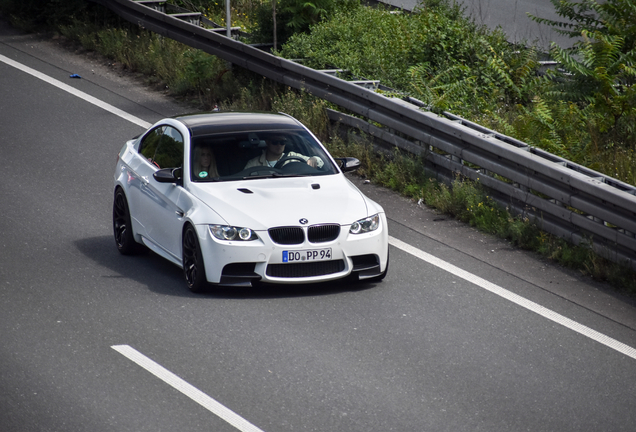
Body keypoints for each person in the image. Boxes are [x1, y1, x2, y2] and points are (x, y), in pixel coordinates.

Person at [244, 134, 324, 169]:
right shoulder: (253, 163)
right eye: (275, 142)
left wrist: (314, 159)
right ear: (267, 143)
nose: (279, 145)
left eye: (282, 142)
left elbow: (320, 161)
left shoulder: (293, 157)